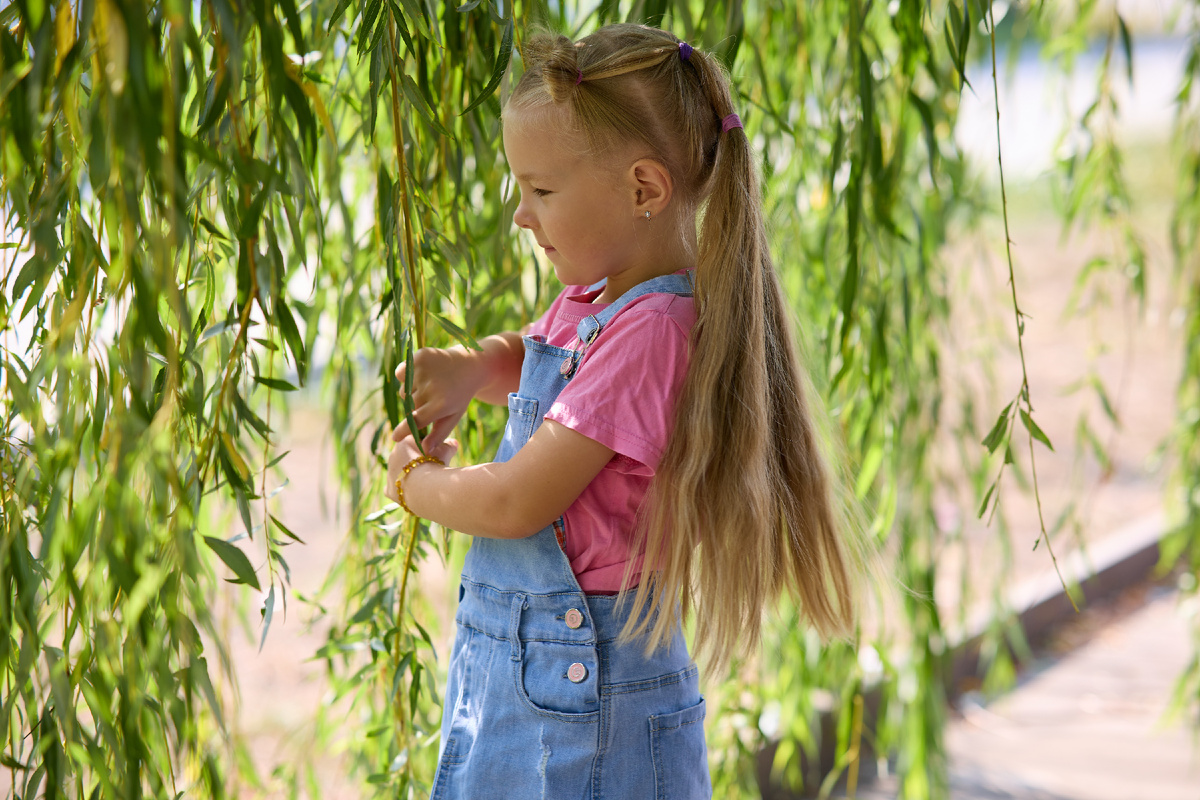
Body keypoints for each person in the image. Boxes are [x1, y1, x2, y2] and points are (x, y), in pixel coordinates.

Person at [386, 23, 862, 799]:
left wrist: (414, 482)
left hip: (583, 704)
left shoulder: (653, 332)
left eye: (541, 190)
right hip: (537, 685)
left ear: (644, 190)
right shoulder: (597, 299)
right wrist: (476, 367)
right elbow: (541, 362)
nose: (521, 215)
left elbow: (516, 500)